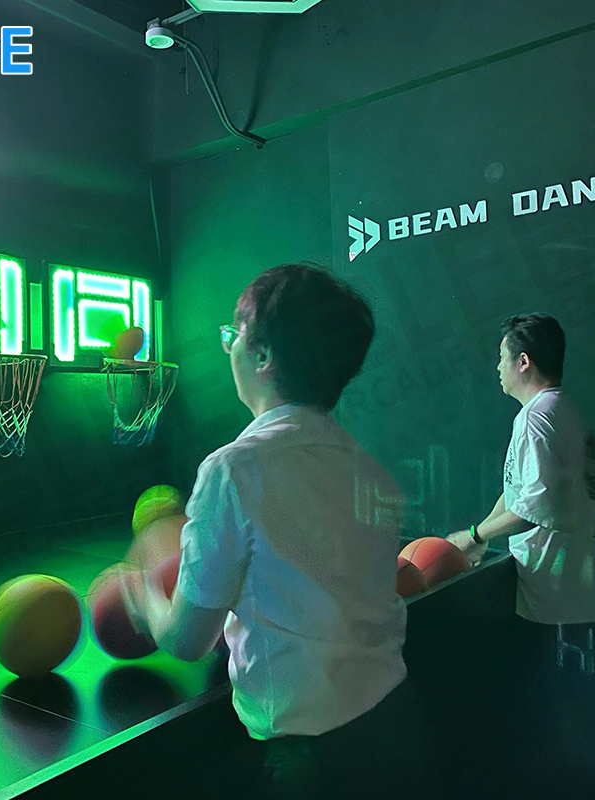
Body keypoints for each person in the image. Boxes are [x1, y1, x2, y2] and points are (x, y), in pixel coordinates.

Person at [124, 264, 415, 797]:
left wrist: (144, 593)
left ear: (262, 357)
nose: (228, 346)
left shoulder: (233, 470)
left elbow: (187, 641)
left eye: (233, 334)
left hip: (310, 756)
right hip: (395, 721)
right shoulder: (373, 473)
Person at [447, 313, 595, 626]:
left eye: (502, 357)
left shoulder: (535, 419)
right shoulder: (565, 409)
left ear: (523, 362)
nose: (498, 367)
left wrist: (473, 535)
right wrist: (482, 537)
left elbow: (534, 506)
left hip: (559, 601)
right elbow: (520, 490)